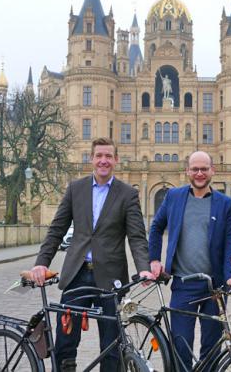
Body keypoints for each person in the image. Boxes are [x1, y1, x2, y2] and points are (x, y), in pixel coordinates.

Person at [29, 137, 153, 372]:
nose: (103, 161)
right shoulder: (76, 189)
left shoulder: (127, 194)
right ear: (91, 159)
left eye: (108, 156)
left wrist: (143, 266)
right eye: (99, 156)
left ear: (116, 160)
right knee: (65, 341)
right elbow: (57, 230)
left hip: (111, 279)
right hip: (77, 275)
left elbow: (137, 236)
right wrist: (41, 264)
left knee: (111, 344)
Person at [149, 151, 231, 370]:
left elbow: (229, 242)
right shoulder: (174, 196)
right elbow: (156, 227)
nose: (199, 173)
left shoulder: (226, 204)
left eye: (204, 169)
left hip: (214, 287)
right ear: (187, 171)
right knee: (180, 345)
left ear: (212, 171)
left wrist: (230, 277)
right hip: (183, 283)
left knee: (211, 347)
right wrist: (154, 259)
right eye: (195, 169)